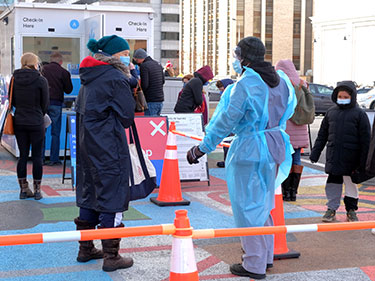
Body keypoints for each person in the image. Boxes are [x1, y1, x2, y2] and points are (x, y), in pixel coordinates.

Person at [186, 37, 296, 279]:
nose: (235, 60)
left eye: (237, 55)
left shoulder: (246, 85)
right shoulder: (281, 81)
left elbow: (225, 121)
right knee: (264, 206)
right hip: (276, 147)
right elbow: (289, 109)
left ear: (244, 58)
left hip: (250, 149)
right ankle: (265, 257)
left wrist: (201, 149)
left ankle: (253, 264)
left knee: (248, 209)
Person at [74, 35, 135, 272]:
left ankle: (85, 248)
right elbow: (127, 118)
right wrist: (130, 83)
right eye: (125, 53)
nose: (128, 57)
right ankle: (112, 255)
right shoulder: (115, 78)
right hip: (109, 147)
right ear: (117, 56)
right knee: (113, 196)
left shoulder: (89, 78)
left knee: (89, 193)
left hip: (87, 146)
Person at [310, 81, 370, 222]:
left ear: (352, 96)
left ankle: (351, 210)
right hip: (334, 158)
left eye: (345, 96)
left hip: (352, 159)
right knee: (333, 185)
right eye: (340, 96)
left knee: (351, 186)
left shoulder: (359, 114)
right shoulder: (331, 112)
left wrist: (363, 162)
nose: (342, 99)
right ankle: (331, 209)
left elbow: (366, 140)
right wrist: (315, 153)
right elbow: (322, 135)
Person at [12, 52, 49, 200]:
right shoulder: (41, 80)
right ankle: (38, 190)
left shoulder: (15, 79)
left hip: (19, 121)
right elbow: (45, 104)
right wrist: (38, 113)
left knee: (22, 156)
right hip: (36, 121)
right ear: (35, 63)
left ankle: (23, 189)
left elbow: (12, 101)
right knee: (37, 156)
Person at [275, 59, 310, 201]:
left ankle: (285, 191)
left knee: (284, 159)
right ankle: (293, 192)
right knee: (297, 158)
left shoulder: (280, 83)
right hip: (300, 126)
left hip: (286, 128)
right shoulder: (302, 83)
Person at [41, 52, 73, 166]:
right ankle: (54, 159)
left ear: (50, 60)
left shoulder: (42, 70)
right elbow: (69, 89)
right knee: (56, 132)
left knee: (41, 131)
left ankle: (41, 158)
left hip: (42, 104)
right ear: (61, 61)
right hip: (56, 104)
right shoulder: (64, 72)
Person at [133, 48, 164, 116]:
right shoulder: (157, 64)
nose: (137, 62)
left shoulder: (144, 66)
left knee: (149, 123)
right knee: (156, 123)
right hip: (160, 99)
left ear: (140, 58)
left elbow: (145, 85)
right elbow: (163, 81)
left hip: (150, 100)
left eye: (136, 60)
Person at [215, 78, 235, 168]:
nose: (220, 91)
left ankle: (228, 161)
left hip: (230, 123)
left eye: (221, 88)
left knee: (228, 142)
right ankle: (228, 160)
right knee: (227, 142)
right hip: (228, 122)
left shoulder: (231, 96)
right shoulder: (230, 94)